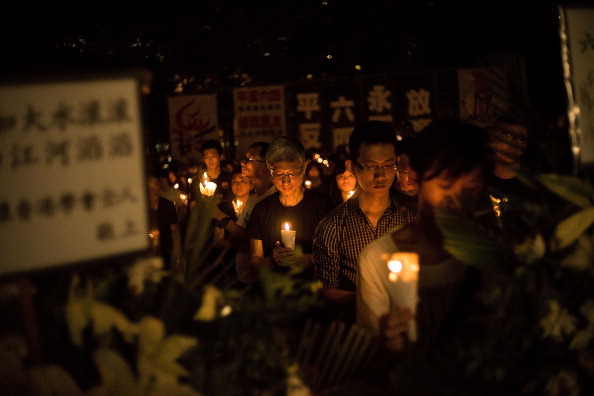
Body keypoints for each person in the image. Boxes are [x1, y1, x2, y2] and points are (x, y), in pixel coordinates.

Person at [356, 119, 493, 357]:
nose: (456, 201)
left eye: (470, 188)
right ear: (416, 179)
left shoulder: (492, 251)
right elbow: (369, 353)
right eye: (445, 184)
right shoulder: (378, 258)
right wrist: (387, 341)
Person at [313, 121, 417, 323]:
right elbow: (325, 291)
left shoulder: (411, 220)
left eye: (388, 165)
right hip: (355, 333)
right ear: (351, 166)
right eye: (370, 166)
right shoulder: (333, 225)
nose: (380, 175)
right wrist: (370, 300)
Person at [246, 136, 335, 279]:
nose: (286, 181)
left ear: (304, 168)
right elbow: (255, 260)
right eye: (279, 174)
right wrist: (273, 260)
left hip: (315, 291)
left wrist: (306, 259)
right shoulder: (261, 210)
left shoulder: (324, 206)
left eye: (292, 173)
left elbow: (336, 255)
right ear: (270, 170)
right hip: (276, 293)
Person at [210, 141, 278, 283]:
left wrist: (218, 215)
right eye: (243, 158)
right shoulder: (252, 200)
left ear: (266, 167)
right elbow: (238, 236)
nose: (243, 163)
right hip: (244, 279)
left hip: (264, 282)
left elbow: (253, 241)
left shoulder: (275, 199)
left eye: (249, 159)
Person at [148, 175, 182, 273]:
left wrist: (177, 256)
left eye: (156, 186)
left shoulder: (168, 205)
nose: (153, 190)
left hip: (166, 251)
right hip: (149, 254)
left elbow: (174, 231)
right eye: (150, 188)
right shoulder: (141, 208)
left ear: (159, 188)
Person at [189, 139, 231, 209]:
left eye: (213, 156)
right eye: (206, 157)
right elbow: (192, 204)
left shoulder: (229, 177)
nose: (210, 160)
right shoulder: (197, 181)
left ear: (221, 157)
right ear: (203, 159)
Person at [391, 136, 419, 211]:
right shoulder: (388, 196)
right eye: (406, 172)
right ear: (397, 161)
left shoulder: (428, 196)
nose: (411, 177)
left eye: (416, 171)